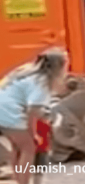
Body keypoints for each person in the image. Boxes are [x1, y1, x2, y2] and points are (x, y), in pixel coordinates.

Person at [0, 49, 69, 184]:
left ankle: (19, 180)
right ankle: (24, 182)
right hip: (8, 112)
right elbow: (33, 112)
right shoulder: (41, 82)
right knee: (28, 147)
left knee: (17, 147)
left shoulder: (27, 71)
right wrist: (34, 133)